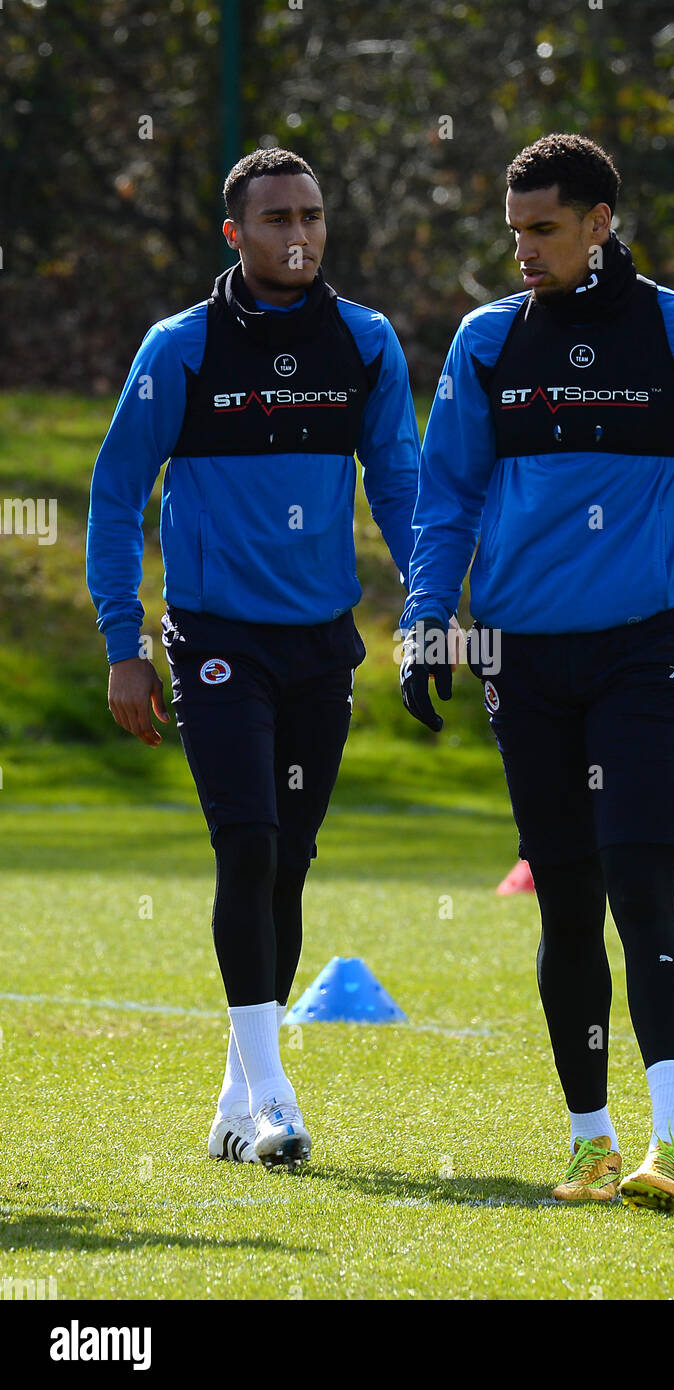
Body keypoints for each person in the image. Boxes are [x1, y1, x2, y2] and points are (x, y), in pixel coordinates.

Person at [399, 133, 674, 1212]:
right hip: (522, 658)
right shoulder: (486, 342)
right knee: (566, 901)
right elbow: (448, 495)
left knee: (644, 888)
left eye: (543, 229)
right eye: (513, 231)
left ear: (602, 219)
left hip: (647, 652)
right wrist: (426, 621)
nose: (523, 252)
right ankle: (589, 1141)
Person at [87, 147, 419, 1170]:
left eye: (313, 215)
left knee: (289, 865)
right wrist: (124, 643)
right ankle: (274, 1097)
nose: (299, 234)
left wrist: (439, 608)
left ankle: (237, 1099)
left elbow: (401, 485)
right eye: (276, 218)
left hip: (322, 644)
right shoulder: (180, 349)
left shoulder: (364, 343)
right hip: (215, 638)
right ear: (234, 234)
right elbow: (114, 494)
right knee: (247, 844)